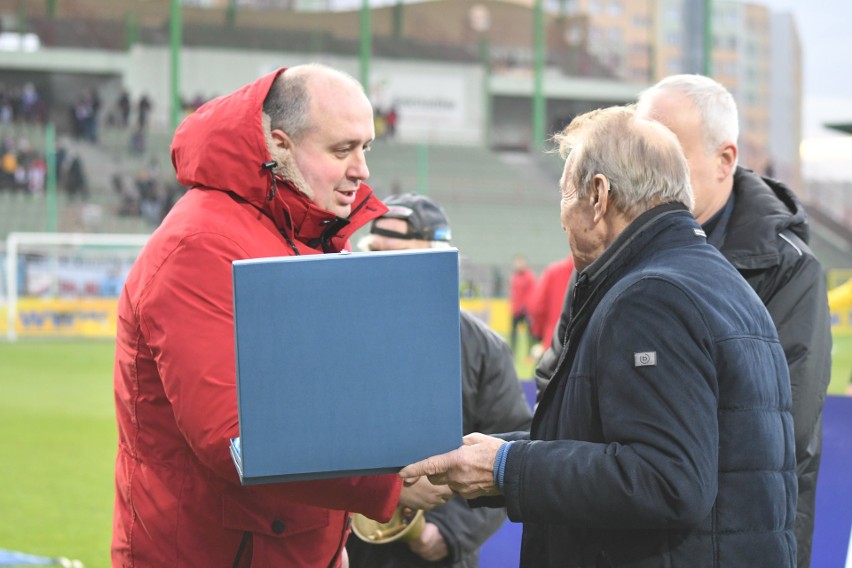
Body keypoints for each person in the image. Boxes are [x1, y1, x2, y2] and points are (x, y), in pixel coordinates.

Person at [400, 105, 797, 567]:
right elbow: (601, 436)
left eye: (566, 193)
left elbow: (666, 480)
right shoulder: (714, 280)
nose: (562, 217)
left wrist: (505, 468)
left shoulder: (652, 296)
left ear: (598, 195)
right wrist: (479, 457)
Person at [112, 63, 451, 567]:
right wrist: (388, 485)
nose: (362, 169)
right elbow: (234, 441)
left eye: (366, 148)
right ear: (281, 145)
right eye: (342, 150)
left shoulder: (298, 234)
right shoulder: (201, 245)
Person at [635, 73, 832, 568]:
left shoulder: (787, 270)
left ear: (725, 160)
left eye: (667, 152)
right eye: (639, 151)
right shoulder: (610, 252)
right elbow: (563, 386)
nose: (645, 170)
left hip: (736, 545)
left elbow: (774, 430)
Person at [349, 193, 533, 568]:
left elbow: (506, 452)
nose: (384, 271)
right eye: (374, 255)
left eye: (400, 259)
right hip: (349, 549)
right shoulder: (341, 335)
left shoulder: (484, 348)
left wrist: (449, 532)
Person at [525, 254, 574, 360]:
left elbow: (537, 307)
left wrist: (539, 333)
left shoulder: (554, 272)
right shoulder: (602, 272)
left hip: (553, 343)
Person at [508, 254, 536, 356]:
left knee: (530, 334)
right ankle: (512, 352)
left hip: (526, 310)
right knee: (513, 333)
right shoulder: (514, 277)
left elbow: (531, 293)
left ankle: (530, 353)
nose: (518, 264)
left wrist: (528, 307)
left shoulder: (529, 276)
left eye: (520, 262)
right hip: (516, 310)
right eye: (517, 262)